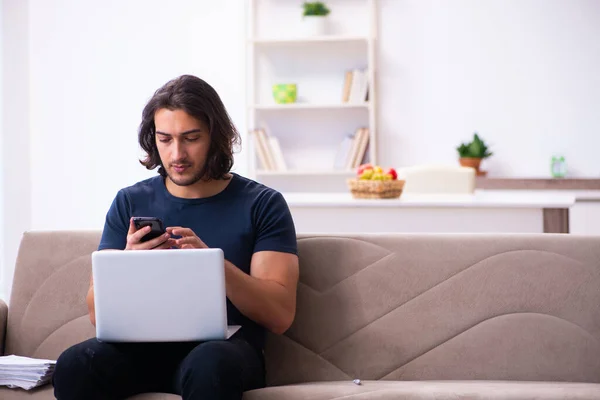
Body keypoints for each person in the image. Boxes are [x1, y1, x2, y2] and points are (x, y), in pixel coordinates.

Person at [52, 74, 299, 400]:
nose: (176, 154)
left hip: (224, 351)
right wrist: (128, 263)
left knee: (209, 365)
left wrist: (213, 265)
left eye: (191, 138)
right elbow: (97, 315)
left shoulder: (262, 204)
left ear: (216, 136)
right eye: (165, 139)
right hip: (139, 350)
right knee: (74, 364)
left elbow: (279, 315)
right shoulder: (129, 201)